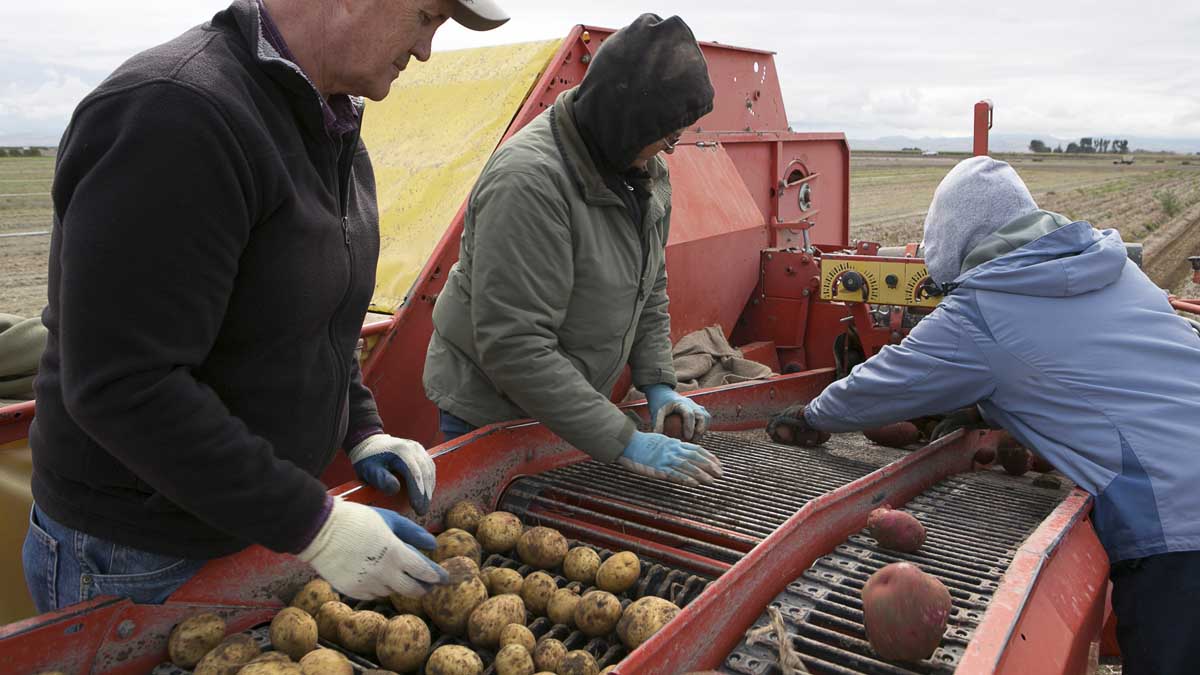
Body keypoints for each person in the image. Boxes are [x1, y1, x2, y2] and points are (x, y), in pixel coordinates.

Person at [23, 0, 509, 612]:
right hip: (138, 555)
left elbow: (314, 316)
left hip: (246, 519)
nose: (425, 51)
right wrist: (314, 523)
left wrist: (360, 428)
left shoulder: (323, 120)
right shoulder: (176, 114)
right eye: (426, 18)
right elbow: (123, 384)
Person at [766, 156, 1200, 675]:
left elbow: (891, 381)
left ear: (951, 241)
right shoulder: (1112, 268)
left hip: (1178, 524)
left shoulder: (985, 307)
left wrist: (814, 415)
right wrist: (984, 402)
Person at [422, 14, 724, 487]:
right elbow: (515, 346)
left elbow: (650, 284)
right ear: (627, 122)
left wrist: (660, 385)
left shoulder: (640, 169)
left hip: (570, 405)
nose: (671, 149)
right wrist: (624, 439)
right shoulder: (529, 184)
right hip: (494, 411)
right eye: (667, 134)